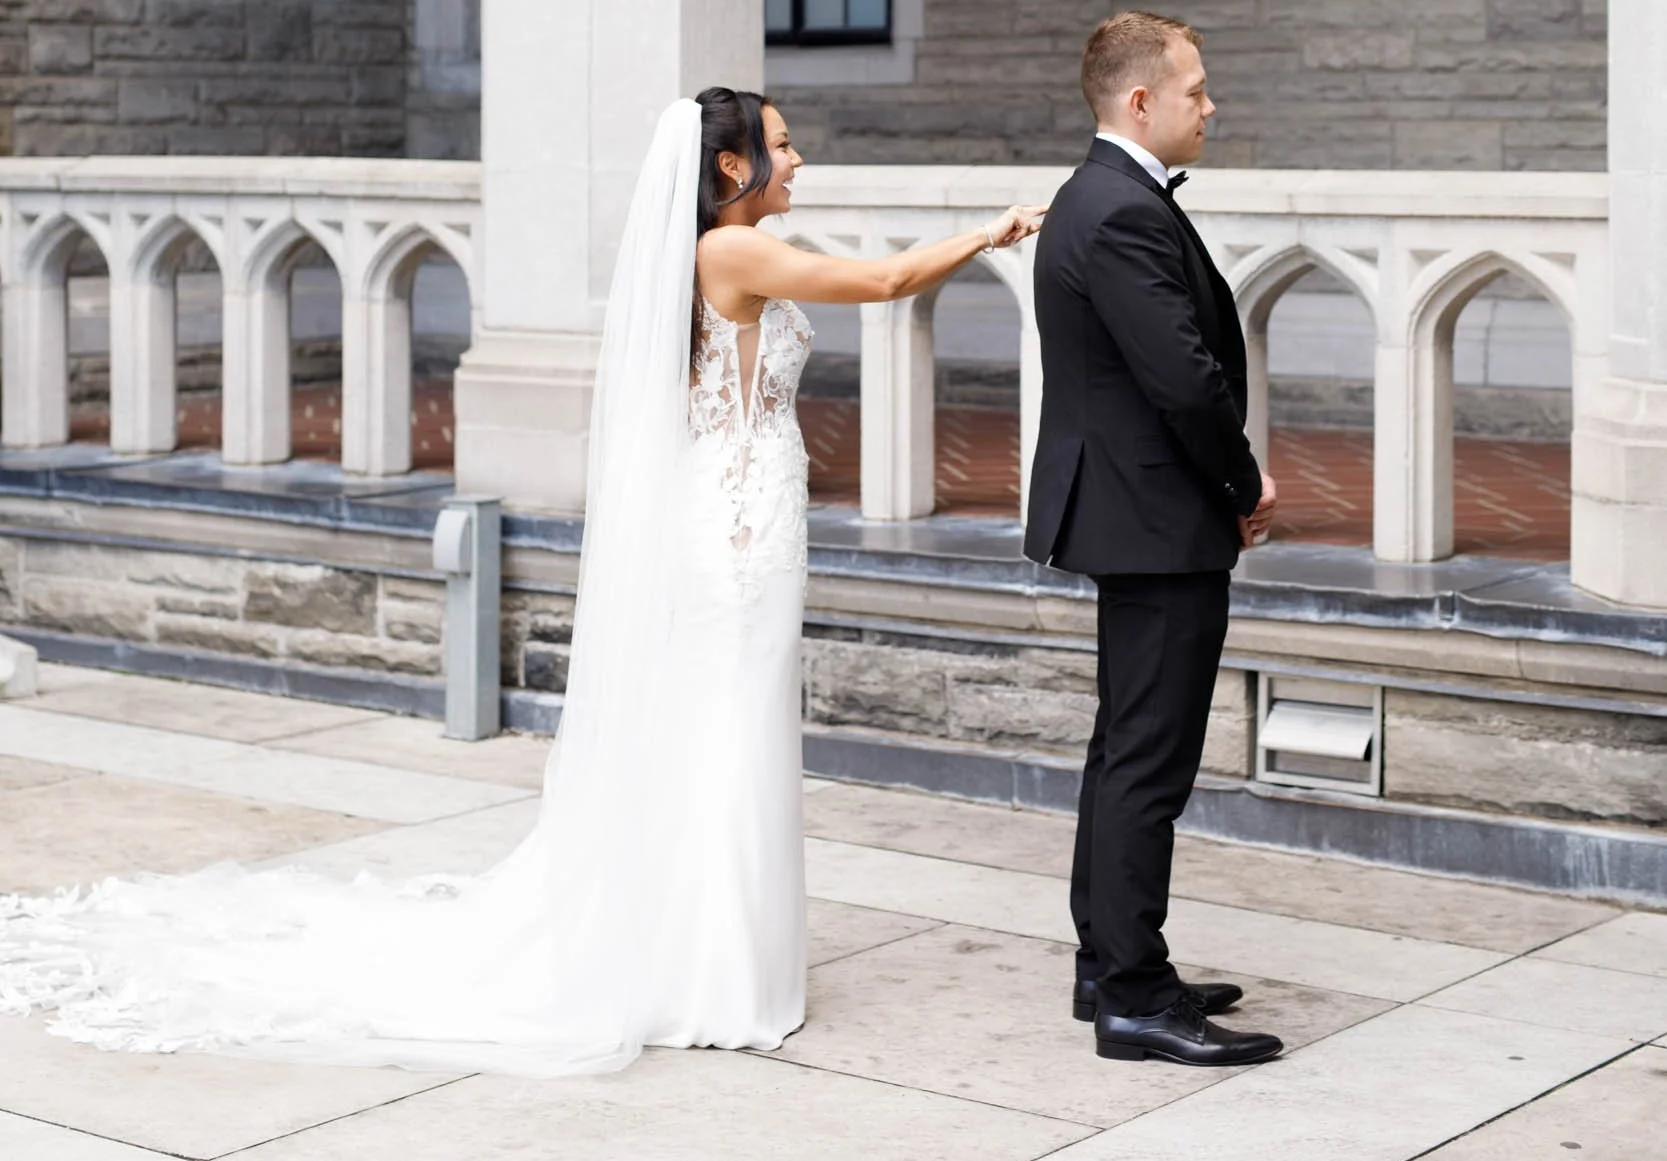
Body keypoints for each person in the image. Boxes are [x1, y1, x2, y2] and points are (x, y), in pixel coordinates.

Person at [0, 90, 1042, 1075]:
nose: (798, 156)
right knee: (728, 728)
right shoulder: (729, 247)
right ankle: (713, 976)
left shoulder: (728, 247)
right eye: (781, 142)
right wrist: (990, 231)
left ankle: (714, 953)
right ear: (731, 166)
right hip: (733, 532)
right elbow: (881, 285)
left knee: (728, 728)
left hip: (742, 515)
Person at [1025, 12, 1284, 1068]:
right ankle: (1132, 996)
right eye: (1194, 88)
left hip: (1130, 511)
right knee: (1146, 759)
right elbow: (1182, 375)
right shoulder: (1119, 210)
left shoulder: (1100, 197)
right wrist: (1242, 483)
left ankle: (1112, 961)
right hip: (1155, 517)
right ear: (1140, 102)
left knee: (1121, 747)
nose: (1208, 104)